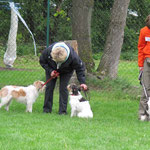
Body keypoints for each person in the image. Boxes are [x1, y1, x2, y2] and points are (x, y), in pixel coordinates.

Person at [39, 41, 87, 115]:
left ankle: (62, 111)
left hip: (66, 71)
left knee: (63, 88)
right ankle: (46, 110)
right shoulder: (48, 51)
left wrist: (82, 82)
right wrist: (50, 71)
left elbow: (80, 68)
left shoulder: (73, 56)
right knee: (49, 87)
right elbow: (42, 61)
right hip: (51, 68)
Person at [138, 15, 150, 121]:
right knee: (146, 89)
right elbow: (141, 47)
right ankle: (142, 114)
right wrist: (141, 65)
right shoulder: (144, 31)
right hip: (147, 61)